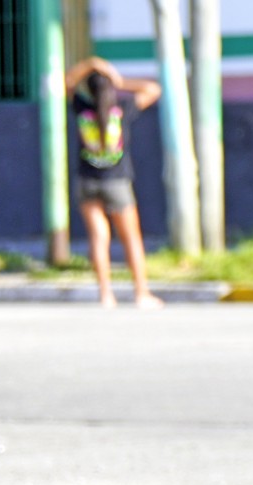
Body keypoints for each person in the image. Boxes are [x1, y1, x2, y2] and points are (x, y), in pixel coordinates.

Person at [64, 56, 163, 309]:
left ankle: (106, 295)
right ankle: (141, 293)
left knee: (98, 237)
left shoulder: (81, 109)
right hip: (117, 182)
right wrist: (121, 81)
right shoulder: (121, 111)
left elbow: (66, 82)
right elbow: (153, 90)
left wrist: (90, 64)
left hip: (87, 180)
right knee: (131, 238)